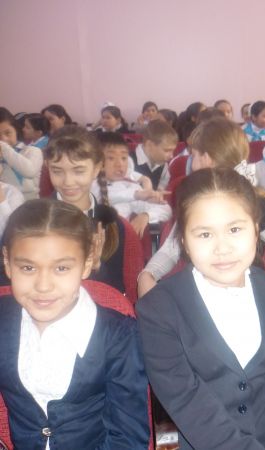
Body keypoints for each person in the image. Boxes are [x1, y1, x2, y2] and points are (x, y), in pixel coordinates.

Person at [136, 168, 265, 450]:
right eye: (205, 234)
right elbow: (185, 399)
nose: (222, 248)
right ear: (183, 241)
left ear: (256, 230)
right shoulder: (158, 309)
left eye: (234, 230)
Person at [0, 199, 149, 449]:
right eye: (27, 267)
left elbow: (128, 436)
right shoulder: (3, 319)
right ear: (7, 262)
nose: (43, 286)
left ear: (86, 264)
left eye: (61, 268)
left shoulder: (118, 336)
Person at [137, 117, 265, 296]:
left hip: (242, 291)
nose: (192, 163)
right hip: (200, 288)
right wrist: (148, 274)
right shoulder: (195, 195)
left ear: (206, 159)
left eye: (194, 156)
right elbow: (172, 248)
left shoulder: (255, 202)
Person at [45, 125, 128, 294]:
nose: (68, 182)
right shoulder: (31, 218)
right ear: (47, 166)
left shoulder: (111, 225)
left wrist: (96, 266)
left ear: (96, 169)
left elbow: (115, 291)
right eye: (57, 171)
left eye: (78, 171)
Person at [93, 132, 171, 237]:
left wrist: (146, 215)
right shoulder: (89, 183)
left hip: (119, 242)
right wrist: (137, 195)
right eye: (111, 158)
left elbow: (166, 210)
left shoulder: (130, 186)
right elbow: (106, 194)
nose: (119, 164)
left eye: (124, 158)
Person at [0, 109, 43, 200]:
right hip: (5, 204)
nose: (4, 139)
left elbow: (29, 171)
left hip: (30, 204)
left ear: (16, 130)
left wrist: (4, 147)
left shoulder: (33, 151)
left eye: (8, 133)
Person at [129, 119, 178, 191]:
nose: (171, 156)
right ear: (149, 145)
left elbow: (163, 182)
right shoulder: (128, 161)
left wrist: (159, 190)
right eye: (167, 150)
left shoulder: (162, 164)